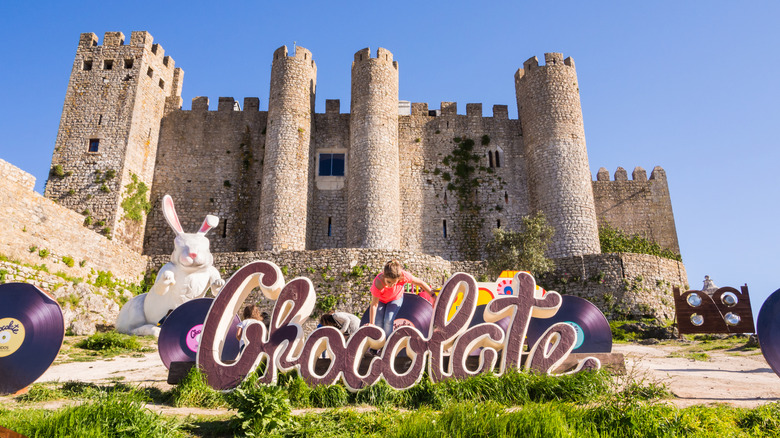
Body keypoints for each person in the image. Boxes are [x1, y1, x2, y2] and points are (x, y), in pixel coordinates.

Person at [368, 259, 432, 337]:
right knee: (378, 321)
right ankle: (377, 344)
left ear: (399, 278)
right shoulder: (378, 283)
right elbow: (374, 305)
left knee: (388, 319)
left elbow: (421, 283)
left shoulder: (404, 276)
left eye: (394, 283)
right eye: (389, 282)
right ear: (384, 275)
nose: (391, 285)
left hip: (395, 298)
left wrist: (433, 296)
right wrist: (371, 324)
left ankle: (387, 344)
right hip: (381, 300)